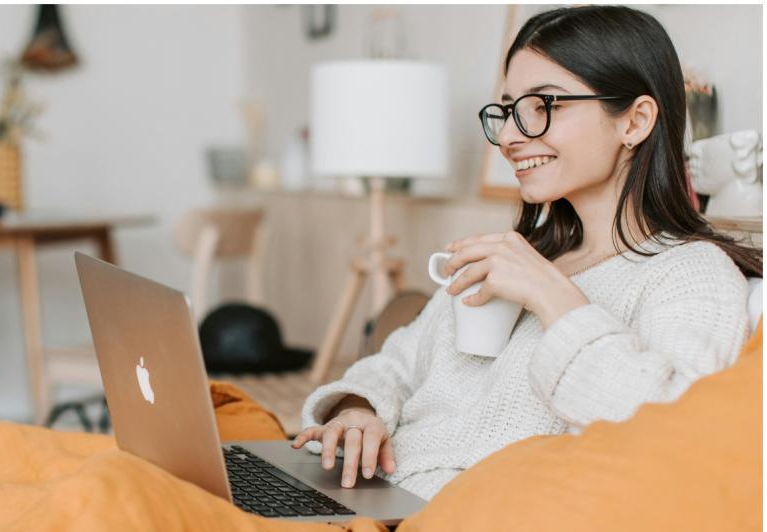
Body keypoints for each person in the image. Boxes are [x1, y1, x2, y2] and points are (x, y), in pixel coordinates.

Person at [291, 5, 763, 501]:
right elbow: (396, 363)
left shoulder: (689, 274)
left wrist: (553, 298)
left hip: (447, 519)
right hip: (367, 489)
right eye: (509, 110)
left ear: (635, 121)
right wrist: (359, 410)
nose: (510, 137)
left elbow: (672, 433)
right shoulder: (520, 254)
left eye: (543, 106)